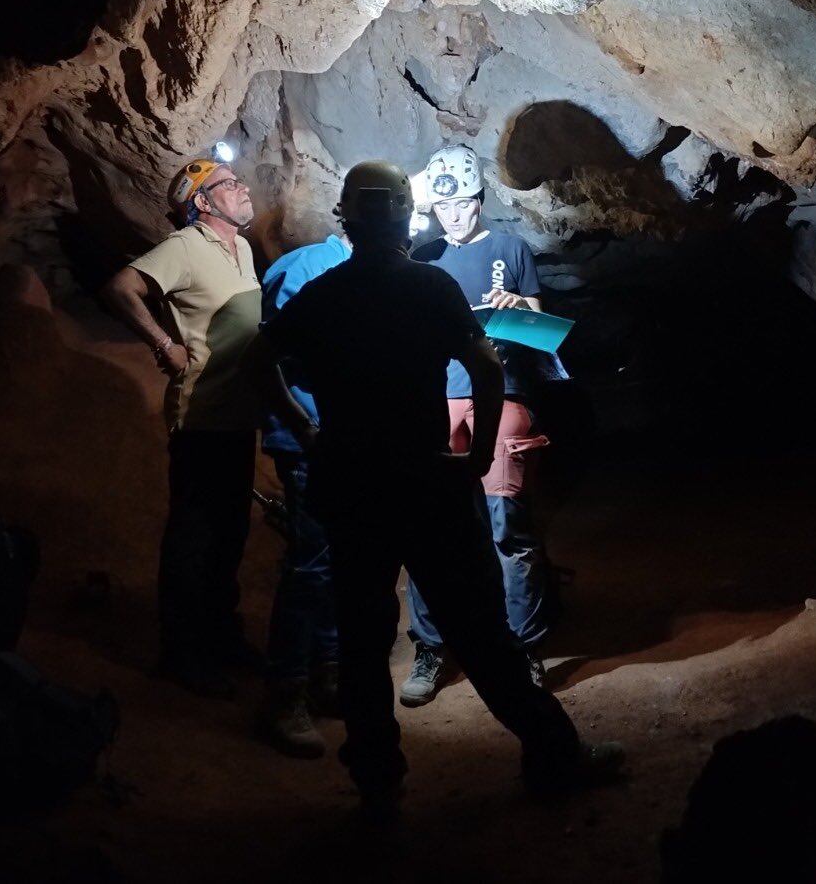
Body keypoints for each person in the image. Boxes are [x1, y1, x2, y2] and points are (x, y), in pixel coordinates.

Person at [241, 161, 622, 820]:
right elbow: (484, 363)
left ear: (346, 219)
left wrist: (308, 430)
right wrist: (473, 457)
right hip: (424, 479)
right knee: (479, 628)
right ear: (403, 217)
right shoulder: (427, 285)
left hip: (351, 483)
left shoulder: (324, 295)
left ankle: (378, 785)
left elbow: (257, 359)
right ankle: (553, 755)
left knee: (361, 641)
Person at [401, 144, 563, 707]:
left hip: (504, 392)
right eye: (442, 207)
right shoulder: (421, 256)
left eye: (462, 205)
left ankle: (523, 649)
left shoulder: (511, 249)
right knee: (430, 526)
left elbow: (542, 333)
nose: (452, 216)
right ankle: (431, 645)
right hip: (438, 400)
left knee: (508, 527)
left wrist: (517, 305)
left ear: (479, 198)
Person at [101, 151, 262, 698]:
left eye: (239, 181)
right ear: (202, 202)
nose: (242, 189)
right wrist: (163, 342)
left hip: (238, 417)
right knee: (194, 539)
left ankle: (221, 637)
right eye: (228, 184)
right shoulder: (184, 247)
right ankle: (181, 653)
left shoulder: (241, 247)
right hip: (201, 418)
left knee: (230, 535)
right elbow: (121, 286)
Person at [253, 231, 351, 758]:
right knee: (310, 565)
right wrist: (301, 425)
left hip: (344, 438)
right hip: (308, 437)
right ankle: (285, 693)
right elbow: (267, 356)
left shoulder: (357, 269)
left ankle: (328, 674)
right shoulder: (309, 268)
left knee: (336, 560)